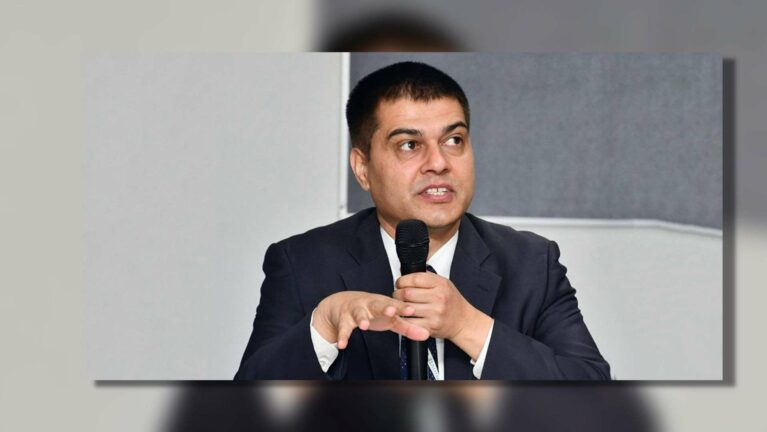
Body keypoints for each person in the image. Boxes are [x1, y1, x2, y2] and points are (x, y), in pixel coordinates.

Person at [235, 61, 610, 380]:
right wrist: (324, 327)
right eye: (409, 145)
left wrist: (467, 325)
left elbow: (594, 400)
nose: (439, 163)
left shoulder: (530, 263)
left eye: (454, 140)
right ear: (362, 168)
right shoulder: (302, 263)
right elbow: (244, 411)